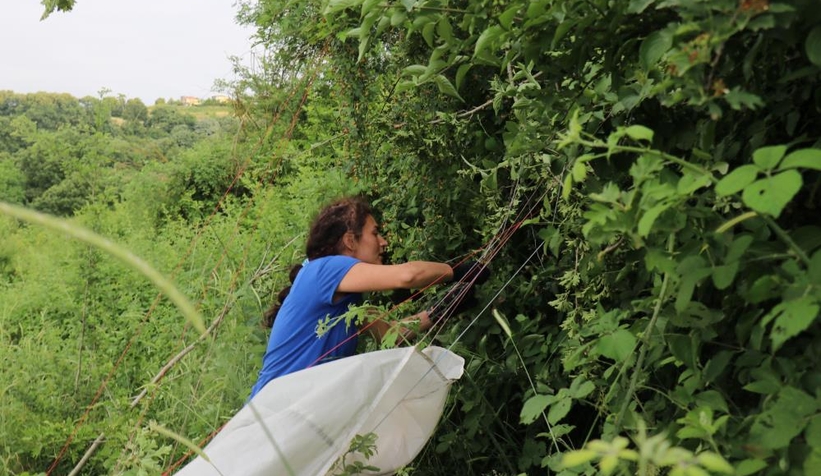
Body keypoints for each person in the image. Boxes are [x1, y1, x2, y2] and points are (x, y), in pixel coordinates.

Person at [248, 196, 488, 399]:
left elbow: (391, 334)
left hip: (302, 409)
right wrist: (457, 270)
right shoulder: (323, 270)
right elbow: (408, 276)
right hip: (273, 408)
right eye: (375, 233)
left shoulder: (348, 299)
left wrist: (440, 310)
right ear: (350, 241)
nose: (383, 242)